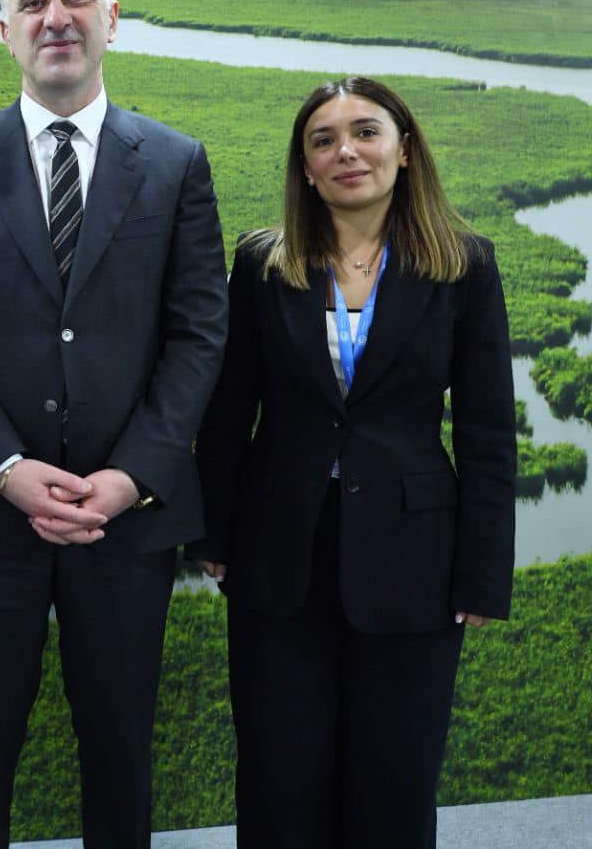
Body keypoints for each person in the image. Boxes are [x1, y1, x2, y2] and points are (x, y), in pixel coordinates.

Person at [0, 0, 228, 847]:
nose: (56, 17)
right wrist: (7, 468)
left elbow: (199, 334)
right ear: (4, 29)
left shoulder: (176, 163)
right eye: (34, 1)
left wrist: (131, 477)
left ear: (111, 19)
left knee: (120, 745)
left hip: (129, 518)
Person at [191, 77, 516, 848]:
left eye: (366, 133)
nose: (347, 152)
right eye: (324, 140)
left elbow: (487, 432)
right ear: (306, 168)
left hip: (416, 557)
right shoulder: (263, 263)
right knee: (280, 770)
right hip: (278, 550)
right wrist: (214, 535)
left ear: (404, 152)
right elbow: (230, 411)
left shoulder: (464, 264)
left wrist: (481, 573)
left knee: (395, 774)